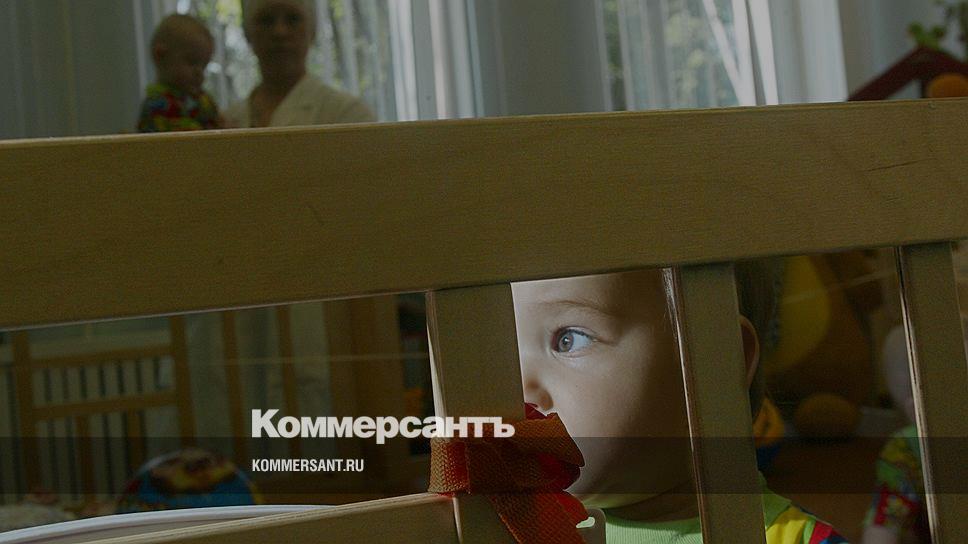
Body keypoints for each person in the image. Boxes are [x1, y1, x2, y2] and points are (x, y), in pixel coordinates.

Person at [511, 263, 847, 543]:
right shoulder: (503, 529)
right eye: (504, 354)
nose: (518, 390)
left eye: (568, 339)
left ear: (713, 362)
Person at [223, 0, 375, 128]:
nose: (280, 32)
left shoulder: (349, 116)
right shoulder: (227, 122)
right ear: (247, 33)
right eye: (266, 20)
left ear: (312, 31)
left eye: (293, 19)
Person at [137, 14, 221, 132]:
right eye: (192, 62)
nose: (199, 73)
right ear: (160, 55)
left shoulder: (204, 101)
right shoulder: (156, 105)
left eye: (204, 66)